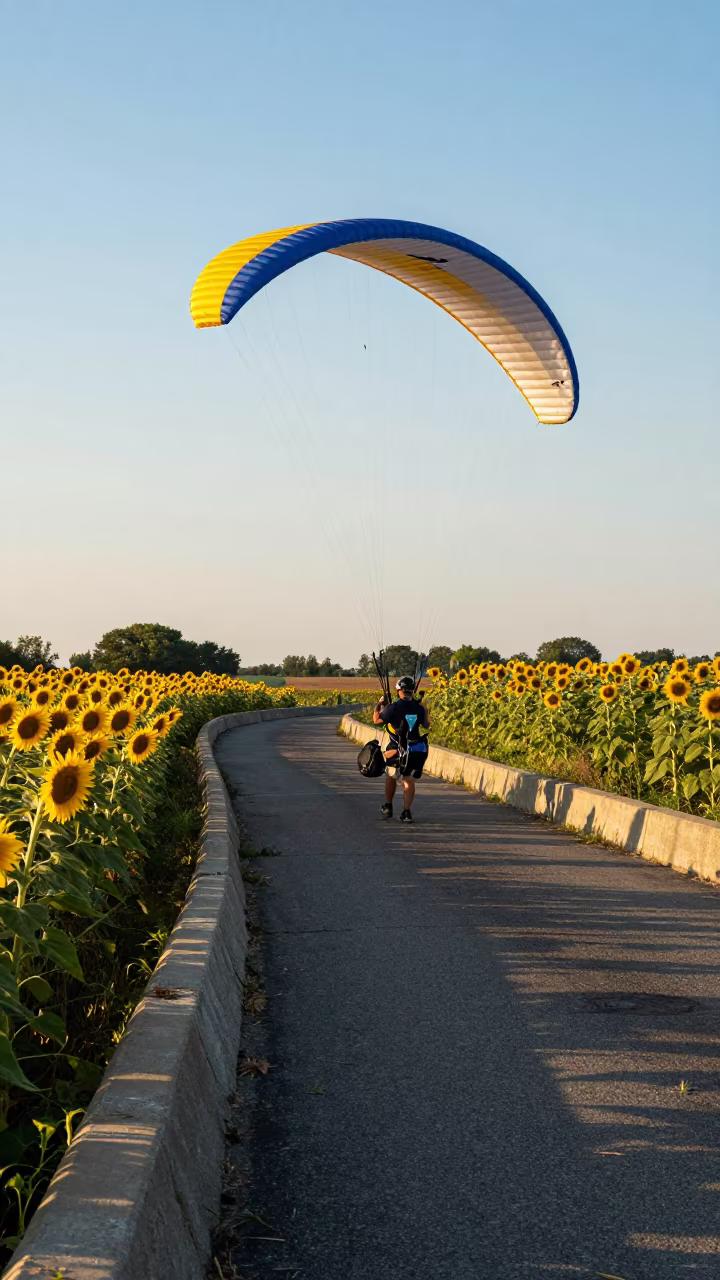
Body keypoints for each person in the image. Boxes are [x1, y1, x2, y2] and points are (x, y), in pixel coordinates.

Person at [372, 676, 430, 822]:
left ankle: (388, 806)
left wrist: (379, 705)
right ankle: (406, 812)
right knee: (408, 780)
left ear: (399, 691)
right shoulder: (419, 708)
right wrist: (425, 708)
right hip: (414, 749)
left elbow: (377, 720)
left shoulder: (393, 707)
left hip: (396, 749)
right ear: (412, 691)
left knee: (391, 776)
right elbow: (426, 725)